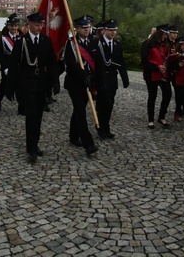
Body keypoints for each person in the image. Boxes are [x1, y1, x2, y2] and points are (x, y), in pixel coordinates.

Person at [9, 11, 58, 164]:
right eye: (36, 25)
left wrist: (54, 82)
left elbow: (51, 64)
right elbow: (13, 66)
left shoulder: (46, 41)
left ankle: (35, 145)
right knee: (31, 117)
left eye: (41, 25)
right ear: (29, 24)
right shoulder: (21, 42)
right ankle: (31, 149)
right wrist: (10, 87)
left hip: (41, 84)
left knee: (39, 117)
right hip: (27, 84)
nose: (39, 27)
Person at [64, 16, 98, 156]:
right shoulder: (71, 44)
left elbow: (96, 62)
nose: (86, 29)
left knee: (79, 110)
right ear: (76, 29)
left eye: (88, 27)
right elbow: (70, 65)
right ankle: (88, 143)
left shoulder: (92, 42)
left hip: (88, 83)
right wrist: (83, 76)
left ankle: (73, 136)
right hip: (75, 83)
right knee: (81, 112)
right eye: (83, 27)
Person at [94, 19, 130, 139]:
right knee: (103, 104)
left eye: (115, 30)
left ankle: (106, 127)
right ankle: (100, 128)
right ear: (104, 30)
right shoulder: (97, 43)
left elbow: (121, 62)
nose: (113, 32)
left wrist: (125, 78)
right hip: (101, 77)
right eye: (111, 30)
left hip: (112, 78)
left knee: (110, 104)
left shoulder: (117, 44)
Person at [146, 25, 173, 128]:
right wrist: (157, 67)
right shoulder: (148, 44)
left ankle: (162, 116)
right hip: (152, 74)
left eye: (166, 34)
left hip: (164, 74)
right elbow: (145, 61)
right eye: (164, 34)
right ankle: (151, 119)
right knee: (152, 96)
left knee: (167, 94)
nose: (165, 36)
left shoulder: (166, 45)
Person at [0, 13, 20, 111]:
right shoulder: (3, 38)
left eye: (16, 25)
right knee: (4, 85)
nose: (14, 28)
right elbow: (1, 54)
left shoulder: (21, 36)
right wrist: (5, 67)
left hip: (18, 67)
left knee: (19, 86)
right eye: (12, 26)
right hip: (7, 67)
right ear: (8, 26)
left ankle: (21, 106)